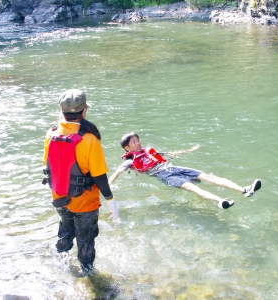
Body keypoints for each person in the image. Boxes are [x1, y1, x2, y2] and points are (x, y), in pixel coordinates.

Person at [42, 89, 119, 273]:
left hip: (59, 197)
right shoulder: (89, 139)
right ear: (84, 111)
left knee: (66, 230)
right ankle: (87, 273)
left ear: (62, 111)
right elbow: (99, 176)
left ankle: (60, 263)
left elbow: (48, 166)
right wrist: (111, 201)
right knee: (86, 239)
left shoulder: (51, 133)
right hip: (84, 202)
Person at [109, 132, 261, 210]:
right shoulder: (130, 161)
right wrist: (106, 186)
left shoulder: (149, 151)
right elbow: (117, 173)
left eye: (137, 140)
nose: (137, 143)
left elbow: (172, 154)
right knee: (193, 187)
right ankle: (221, 201)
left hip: (174, 167)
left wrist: (189, 150)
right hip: (163, 175)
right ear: (127, 148)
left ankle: (245, 190)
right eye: (133, 142)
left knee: (207, 176)